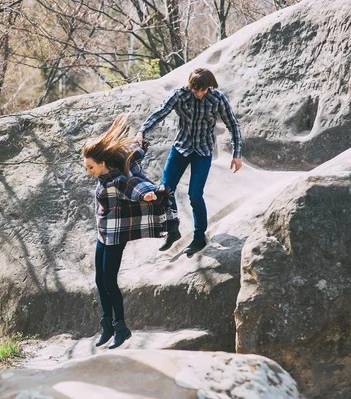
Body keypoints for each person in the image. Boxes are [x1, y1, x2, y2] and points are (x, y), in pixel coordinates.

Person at [82, 114, 173, 349]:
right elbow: (135, 148)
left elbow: (133, 185)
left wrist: (146, 194)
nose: (88, 171)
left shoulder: (116, 179)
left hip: (115, 236)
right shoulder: (104, 172)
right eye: (87, 167)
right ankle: (107, 326)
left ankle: (121, 327)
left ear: (101, 163)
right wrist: (140, 140)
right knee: (99, 280)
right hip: (103, 233)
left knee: (110, 282)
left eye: (90, 166)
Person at [136, 68, 243, 255]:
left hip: (202, 151)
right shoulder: (180, 95)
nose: (200, 94)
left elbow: (232, 124)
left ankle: (199, 237)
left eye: (203, 90)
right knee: (164, 190)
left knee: (195, 195)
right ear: (191, 86)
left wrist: (237, 154)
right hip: (181, 148)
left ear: (209, 87)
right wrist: (142, 131)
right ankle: (172, 229)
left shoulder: (217, 99)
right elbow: (160, 112)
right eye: (196, 90)